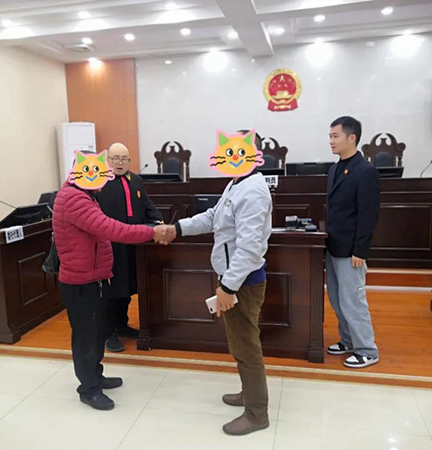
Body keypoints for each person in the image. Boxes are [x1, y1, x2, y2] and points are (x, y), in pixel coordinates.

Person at [166, 130, 272, 436]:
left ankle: (257, 413)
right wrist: (178, 228)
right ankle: (248, 393)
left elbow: (249, 248)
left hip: (242, 282)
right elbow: (214, 216)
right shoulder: (237, 182)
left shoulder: (253, 191)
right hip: (234, 278)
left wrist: (228, 287)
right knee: (239, 342)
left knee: (247, 346)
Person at [53, 150, 172, 411]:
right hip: (80, 281)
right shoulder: (74, 199)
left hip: (93, 277)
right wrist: (152, 231)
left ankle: (96, 376)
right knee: (86, 337)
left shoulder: (86, 195)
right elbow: (110, 228)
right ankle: (88, 389)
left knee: (97, 332)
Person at [96, 142, 163, 352]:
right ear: (107, 159)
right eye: (116, 158)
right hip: (109, 245)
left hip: (134, 244)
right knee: (111, 290)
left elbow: (147, 205)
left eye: (124, 159)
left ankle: (121, 324)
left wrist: (158, 220)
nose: (120, 163)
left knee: (127, 287)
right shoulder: (99, 182)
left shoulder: (136, 180)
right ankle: (108, 332)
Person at [325, 116, 380, 369]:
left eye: (335, 136)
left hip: (351, 251)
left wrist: (361, 249)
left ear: (352, 138)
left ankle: (367, 349)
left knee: (353, 301)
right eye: (330, 136)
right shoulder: (335, 169)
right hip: (333, 246)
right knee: (337, 300)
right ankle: (348, 341)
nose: (331, 141)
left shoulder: (365, 171)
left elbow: (369, 215)